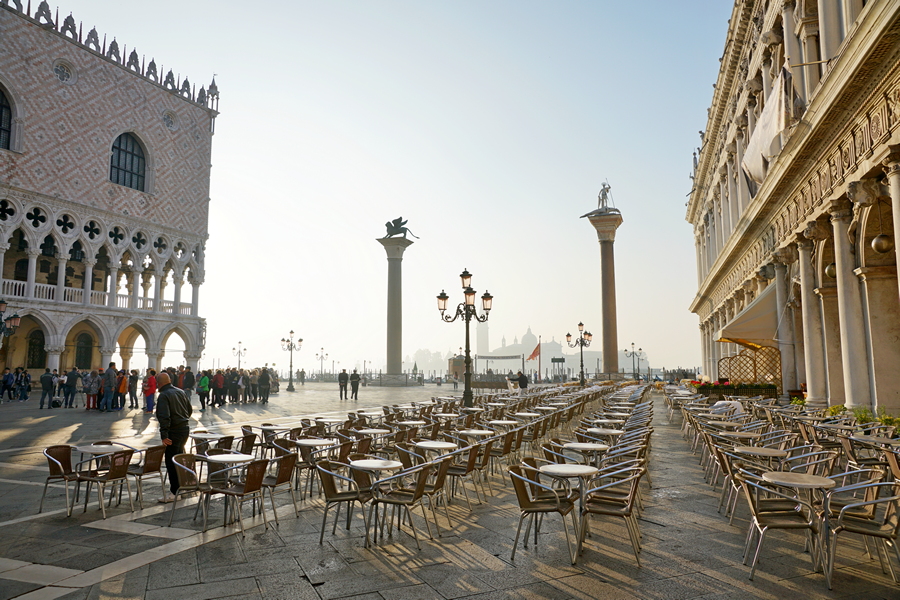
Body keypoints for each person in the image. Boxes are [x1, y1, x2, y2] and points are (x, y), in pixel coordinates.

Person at [155, 371, 192, 503]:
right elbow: (189, 409)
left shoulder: (164, 395)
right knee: (179, 458)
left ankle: (175, 491)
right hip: (184, 429)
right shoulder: (180, 391)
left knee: (171, 461)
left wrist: (164, 435)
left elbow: (164, 416)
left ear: (159, 383)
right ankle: (183, 487)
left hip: (173, 431)